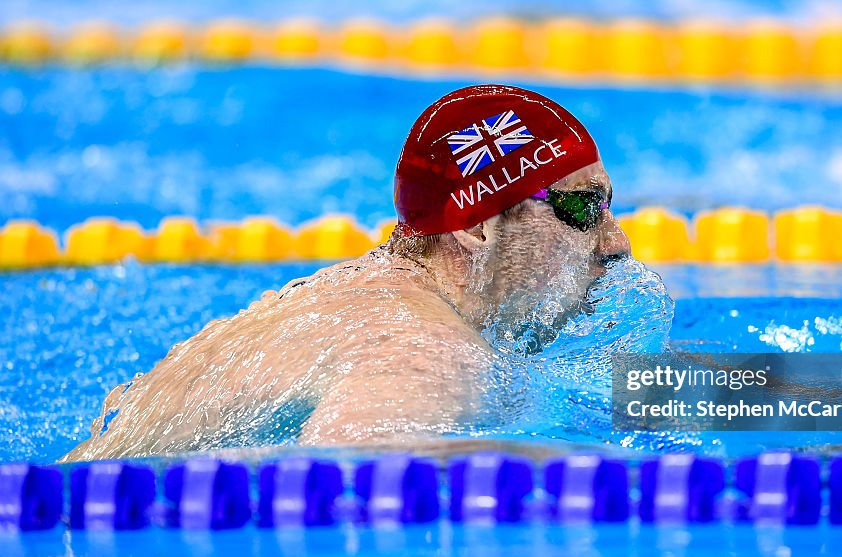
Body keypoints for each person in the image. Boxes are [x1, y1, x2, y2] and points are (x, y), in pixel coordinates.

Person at [62, 84, 630, 462]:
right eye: (582, 208)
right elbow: (347, 501)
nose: (617, 244)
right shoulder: (422, 351)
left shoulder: (372, 299)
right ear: (474, 225)